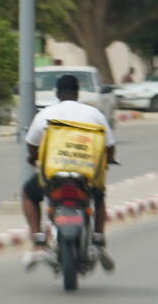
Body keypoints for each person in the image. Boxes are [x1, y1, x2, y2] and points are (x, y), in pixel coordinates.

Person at [22, 73, 116, 272]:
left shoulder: (45, 114)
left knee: (29, 194)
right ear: (77, 92)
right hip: (85, 174)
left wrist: (33, 157)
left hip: (53, 175)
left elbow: (31, 143)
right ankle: (98, 239)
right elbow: (109, 145)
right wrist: (107, 161)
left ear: (57, 93)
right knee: (99, 196)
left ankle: (38, 240)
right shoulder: (94, 113)